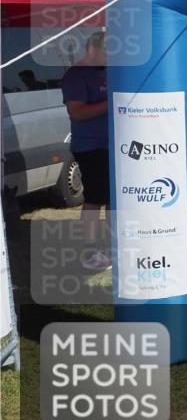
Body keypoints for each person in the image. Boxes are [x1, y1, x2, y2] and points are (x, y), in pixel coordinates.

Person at [61, 32, 111, 271]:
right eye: (108, 51)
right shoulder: (76, 75)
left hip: (114, 145)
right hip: (90, 147)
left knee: (114, 200)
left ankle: (114, 248)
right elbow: (78, 113)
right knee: (95, 199)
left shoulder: (107, 71)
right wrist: (111, 101)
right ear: (93, 49)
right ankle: (89, 252)